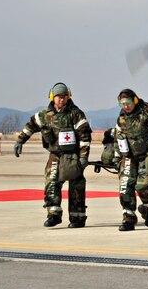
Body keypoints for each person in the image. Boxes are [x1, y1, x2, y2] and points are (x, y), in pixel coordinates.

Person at [13, 82, 92, 228]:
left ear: (68, 97)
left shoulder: (75, 114)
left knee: (76, 185)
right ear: (52, 97)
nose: (61, 99)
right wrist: (20, 140)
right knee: (51, 181)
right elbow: (30, 126)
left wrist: (83, 157)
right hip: (55, 154)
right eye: (58, 97)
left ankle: (77, 217)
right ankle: (53, 214)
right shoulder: (44, 115)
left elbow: (85, 136)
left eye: (64, 96)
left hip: (72, 155)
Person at [113, 88, 148, 231]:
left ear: (135, 100)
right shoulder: (121, 118)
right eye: (122, 104)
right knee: (125, 187)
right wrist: (116, 157)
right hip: (130, 156)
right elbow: (118, 137)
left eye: (128, 103)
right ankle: (128, 218)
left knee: (143, 186)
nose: (126, 106)